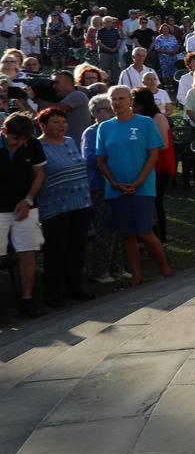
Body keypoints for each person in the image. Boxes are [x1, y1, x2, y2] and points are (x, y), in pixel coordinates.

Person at [95, 86, 172, 286]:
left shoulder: (145, 123)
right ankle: (136, 274)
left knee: (144, 231)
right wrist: (113, 182)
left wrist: (139, 181)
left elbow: (153, 154)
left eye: (121, 98)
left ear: (131, 100)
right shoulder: (105, 127)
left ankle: (164, 267)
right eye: (114, 99)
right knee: (126, 233)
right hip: (116, 189)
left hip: (142, 187)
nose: (117, 102)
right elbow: (101, 160)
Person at [35, 106, 94, 306]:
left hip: (80, 202)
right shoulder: (38, 146)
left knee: (77, 247)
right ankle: (53, 293)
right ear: (43, 125)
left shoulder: (69, 141)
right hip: (56, 206)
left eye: (64, 122)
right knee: (56, 249)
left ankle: (74, 287)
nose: (62, 126)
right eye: (56, 122)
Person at [0, 111, 48, 317]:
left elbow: (39, 174)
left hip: (26, 206)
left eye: (23, 140)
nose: (18, 143)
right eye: (14, 139)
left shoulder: (32, 144)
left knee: (27, 252)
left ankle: (27, 300)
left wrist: (28, 201)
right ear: (4, 131)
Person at [81, 93, 121, 283]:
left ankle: (117, 267)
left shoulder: (115, 128)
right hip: (99, 186)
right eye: (106, 109)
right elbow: (89, 158)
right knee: (104, 228)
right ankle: (101, 271)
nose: (111, 112)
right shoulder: (91, 132)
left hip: (117, 184)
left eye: (111, 108)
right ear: (95, 113)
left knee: (117, 227)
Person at [131, 88, 177, 243]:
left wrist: (139, 148)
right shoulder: (137, 118)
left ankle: (160, 238)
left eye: (134, 103)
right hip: (146, 165)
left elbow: (163, 144)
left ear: (141, 104)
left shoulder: (158, 118)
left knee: (156, 202)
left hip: (160, 166)